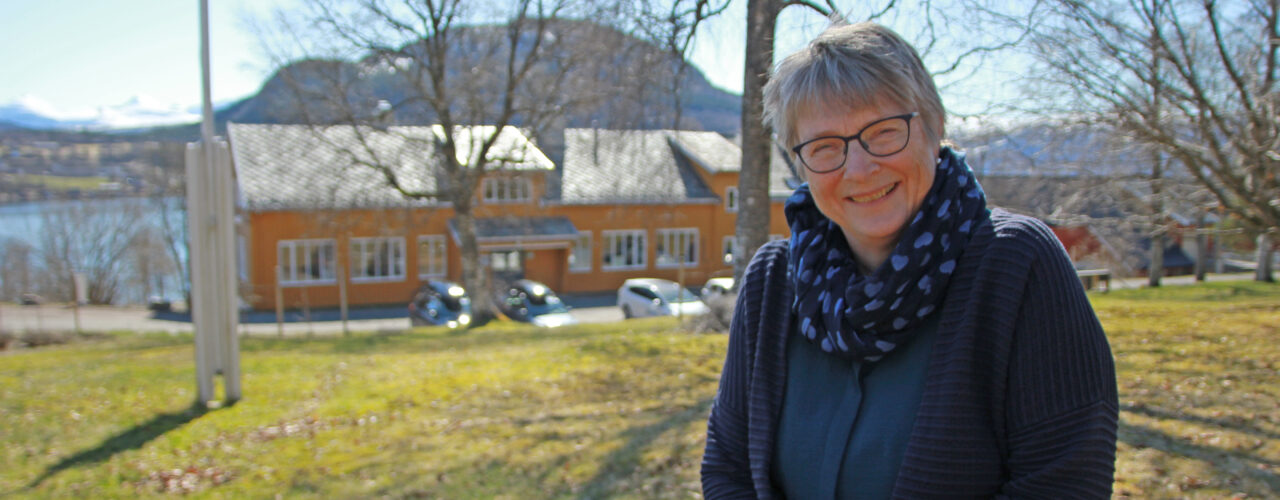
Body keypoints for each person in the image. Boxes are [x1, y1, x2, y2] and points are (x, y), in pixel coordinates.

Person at [701, 22, 1118, 498]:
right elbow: (727, 467)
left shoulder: (1017, 266)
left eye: (883, 133)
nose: (858, 169)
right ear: (800, 165)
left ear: (934, 127)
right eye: (825, 147)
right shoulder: (773, 281)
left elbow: (1064, 485)